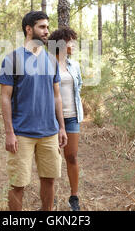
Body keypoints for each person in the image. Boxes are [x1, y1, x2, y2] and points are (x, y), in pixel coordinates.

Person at [0, 11, 68, 211]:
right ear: (29, 29)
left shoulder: (52, 61)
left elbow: (57, 96)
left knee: (49, 181)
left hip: (49, 133)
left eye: (47, 27)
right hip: (22, 134)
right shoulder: (12, 59)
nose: (47, 31)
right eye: (42, 27)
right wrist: (9, 133)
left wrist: (61, 127)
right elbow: (5, 97)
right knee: (18, 184)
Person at [48, 27, 84, 211]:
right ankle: (50, 196)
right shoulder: (48, 64)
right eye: (70, 41)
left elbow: (79, 86)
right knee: (53, 159)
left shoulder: (74, 65)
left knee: (72, 157)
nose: (73, 44)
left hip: (72, 117)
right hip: (52, 118)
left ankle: (74, 197)